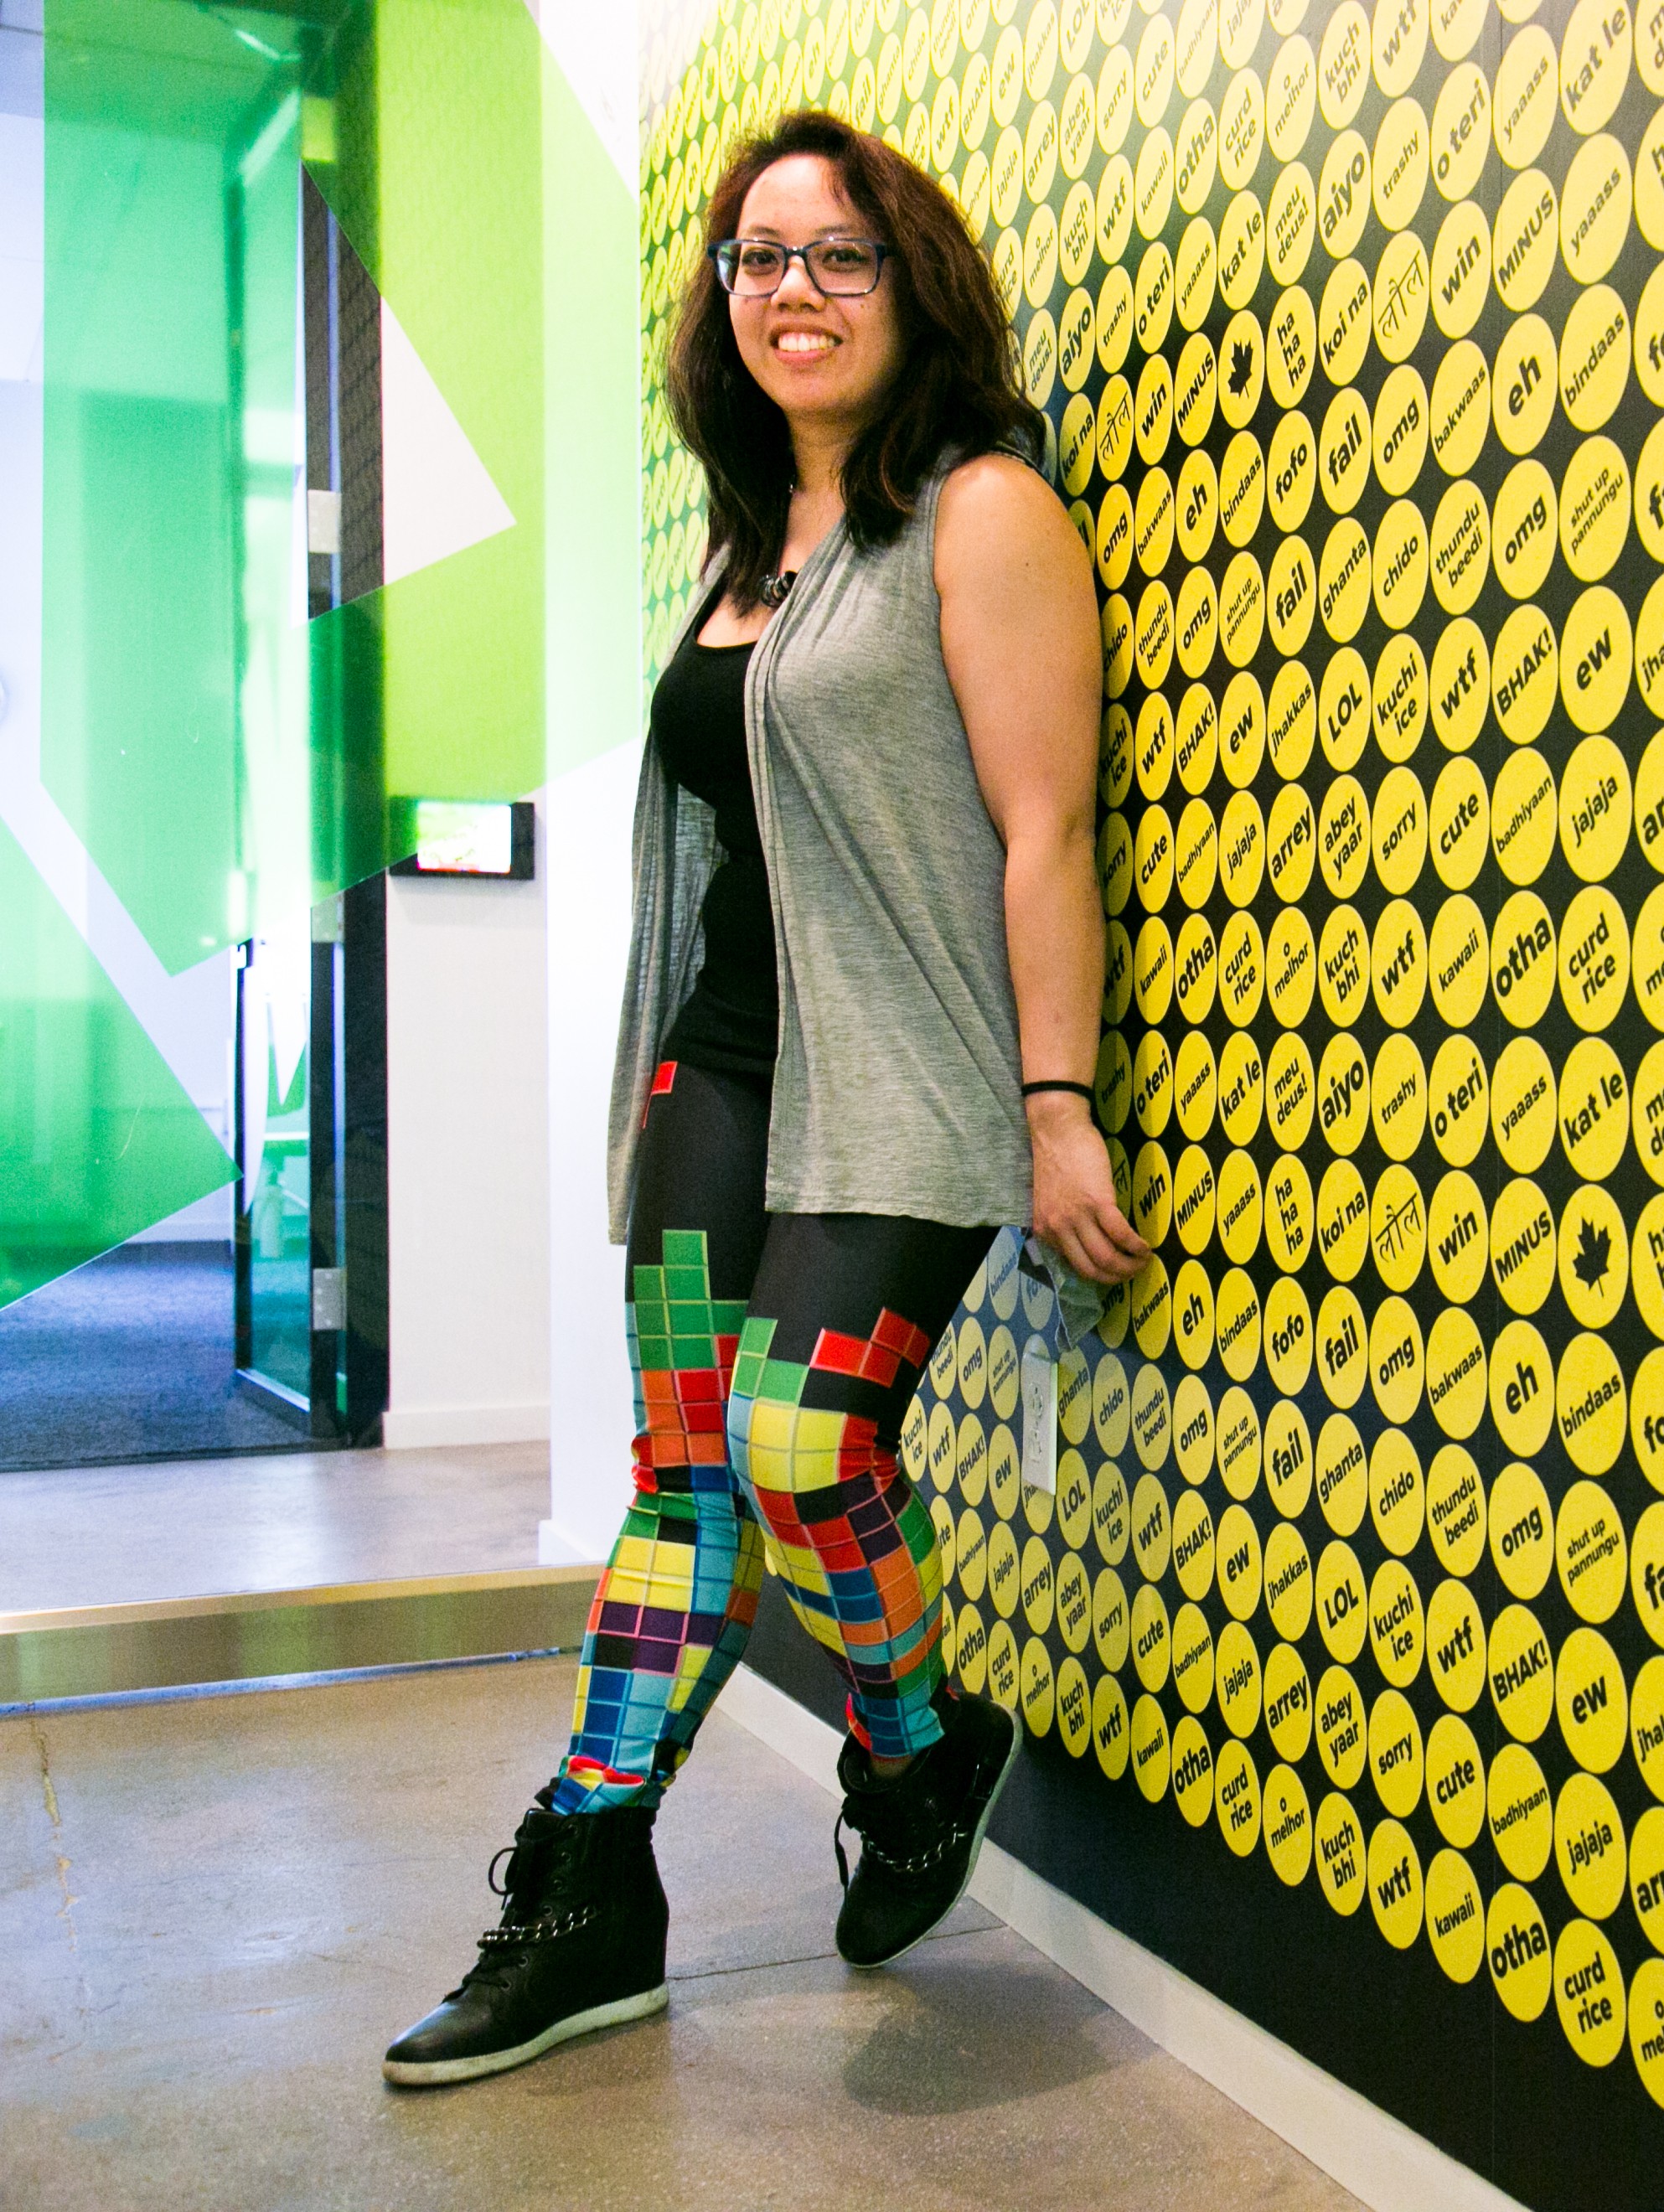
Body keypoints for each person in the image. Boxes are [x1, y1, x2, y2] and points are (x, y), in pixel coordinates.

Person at [384, 111, 1149, 2087]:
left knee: (806, 1446)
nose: (789, 292)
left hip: (904, 1075)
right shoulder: (748, 538)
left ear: (913, 286)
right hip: (712, 1078)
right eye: (755, 258)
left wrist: (1058, 1102)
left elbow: (1043, 827)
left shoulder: (978, 511)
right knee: (683, 1480)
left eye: (836, 257)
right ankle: (586, 1883)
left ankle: (914, 1747)